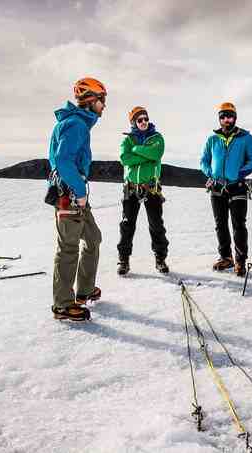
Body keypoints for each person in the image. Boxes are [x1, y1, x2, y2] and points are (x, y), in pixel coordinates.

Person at [47, 77, 106, 321]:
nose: (104, 106)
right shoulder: (76, 124)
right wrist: (80, 193)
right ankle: (62, 304)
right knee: (69, 248)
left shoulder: (78, 123)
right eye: (102, 100)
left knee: (93, 238)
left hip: (74, 194)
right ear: (91, 100)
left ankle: (84, 290)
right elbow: (63, 160)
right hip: (69, 196)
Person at [200, 102, 252, 276]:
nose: (227, 119)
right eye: (223, 116)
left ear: (235, 118)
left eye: (230, 116)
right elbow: (203, 160)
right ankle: (226, 257)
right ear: (219, 119)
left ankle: (240, 261)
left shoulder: (246, 138)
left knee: (238, 225)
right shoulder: (212, 139)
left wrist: (239, 172)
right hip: (217, 187)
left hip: (238, 187)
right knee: (220, 225)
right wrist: (210, 173)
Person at [117, 106, 169, 275]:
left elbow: (156, 153)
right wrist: (145, 155)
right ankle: (123, 260)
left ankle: (160, 259)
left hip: (151, 188)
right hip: (131, 188)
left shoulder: (157, 138)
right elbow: (125, 159)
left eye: (146, 119)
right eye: (140, 120)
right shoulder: (127, 141)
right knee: (127, 225)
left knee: (156, 224)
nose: (144, 122)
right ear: (134, 122)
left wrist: (137, 150)